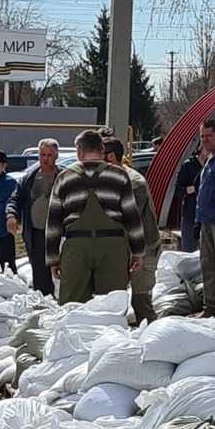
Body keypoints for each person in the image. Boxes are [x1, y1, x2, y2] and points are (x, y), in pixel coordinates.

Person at [45, 130, 145, 305]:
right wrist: (137, 252)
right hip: (112, 247)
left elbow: (53, 222)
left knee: (73, 307)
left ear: (79, 151)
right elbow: (132, 216)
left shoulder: (64, 178)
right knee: (112, 307)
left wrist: (53, 258)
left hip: (77, 247)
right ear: (102, 149)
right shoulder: (119, 175)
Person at [104, 136, 161, 324]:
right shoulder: (112, 179)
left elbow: (129, 218)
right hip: (123, 248)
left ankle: (152, 338)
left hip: (143, 248)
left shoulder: (133, 182)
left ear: (111, 157)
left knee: (140, 300)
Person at [6, 138, 63, 295]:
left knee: (61, 271)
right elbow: (14, 200)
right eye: (42, 154)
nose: (45, 159)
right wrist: (11, 216)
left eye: (49, 155)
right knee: (40, 274)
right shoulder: (28, 179)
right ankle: (44, 306)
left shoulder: (64, 177)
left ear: (56, 156)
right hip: (35, 234)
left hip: (59, 234)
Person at [194, 119, 215, 318]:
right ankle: (210, 308)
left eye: (209, 136)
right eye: (202, 137)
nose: (205, 141)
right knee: (208, 266)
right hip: (206, 221)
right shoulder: (209, 161)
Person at [176, 143, 204, 252]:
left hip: (207, 216)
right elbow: (178, 190)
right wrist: (193, 188)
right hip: (190, 214)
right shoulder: (188, 165)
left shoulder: (211, 165)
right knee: (188, 250)